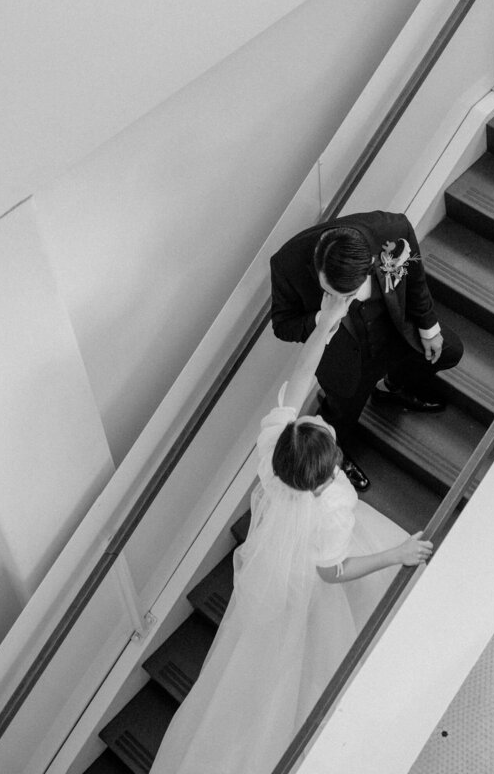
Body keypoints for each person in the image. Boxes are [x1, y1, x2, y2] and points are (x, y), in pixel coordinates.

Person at [149, 297, 432, 774]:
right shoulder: (335, 506)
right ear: (328, 472)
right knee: (313, 654)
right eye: (321, 429)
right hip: (314, 566)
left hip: (284, 558)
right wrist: (396, 554)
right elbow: (332, 569)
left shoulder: (274, 451)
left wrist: (327, 322)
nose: (315, 419)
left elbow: (299, 379)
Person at [270, 211, 464, 491]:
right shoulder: (286, 263)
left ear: (370, 264)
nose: (340, 302)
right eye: (330, 291)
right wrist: (321, 318)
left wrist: (429, 326)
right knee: (341, 415)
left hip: (393, 330)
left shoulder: (393, 231)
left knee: (450, 351)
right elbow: (282, 325)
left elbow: (414, 276)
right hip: (342, 358)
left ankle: (390, 388)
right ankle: (335, 453)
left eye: (346, 295)